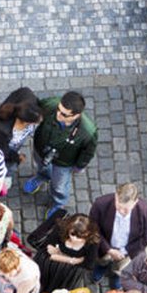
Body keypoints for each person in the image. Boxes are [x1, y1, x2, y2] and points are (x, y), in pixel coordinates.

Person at [22, 91, 97, 220]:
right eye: (58, 109)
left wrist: (79, 166)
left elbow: (88, 152)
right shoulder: (51, 104)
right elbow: (35, 106)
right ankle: (42, 176)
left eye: (64, 114)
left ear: (76, 115)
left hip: (64, 162)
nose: (58, 115)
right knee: (41, 166)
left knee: (60, 185)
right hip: (41, 148)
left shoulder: (88, 131)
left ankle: (58, 203)